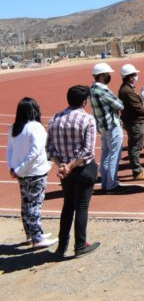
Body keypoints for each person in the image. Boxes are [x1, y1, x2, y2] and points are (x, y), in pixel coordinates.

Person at [47, 85, 101, 258]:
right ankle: (80, 245)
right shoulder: (87, 119)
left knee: (68, 205)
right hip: (83, 168)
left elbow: (49, 149)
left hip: (66, 172)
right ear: (85, 101)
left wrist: (62, 166)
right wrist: (70, 165)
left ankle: (61, 246)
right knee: (82, 206)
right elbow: (88, 151)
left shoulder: (55, 118)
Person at [7, 97, 56, 248]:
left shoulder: (14, 127)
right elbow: (36, 151)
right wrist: (21, 168)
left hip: (21, 173)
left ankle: (31, 234)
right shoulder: (36, 127)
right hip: (35, 172)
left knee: (26, 204)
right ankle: (37, 238)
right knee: (35, 205)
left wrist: (14, 168)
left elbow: (9, 150)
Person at [89, 62, 129, 194]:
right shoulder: (102, 91)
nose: (109, 76)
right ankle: (111, 184)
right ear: (101, 76)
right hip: (112, 125)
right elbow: (119, 105)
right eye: (107, 74)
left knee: (106, 154)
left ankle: (106, 183)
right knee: (115, 154)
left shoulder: (92, 89)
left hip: (103, 126)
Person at [118, 64, 144, 181]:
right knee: (135, 147)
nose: (137, 76)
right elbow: (138, 107)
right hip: (134, 122)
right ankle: (137, 171)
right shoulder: (127, 91)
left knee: (135, 145)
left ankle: (138, 168)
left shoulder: (127, 88)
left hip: (133, 121)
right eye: (135, 74)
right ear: (131, 77)